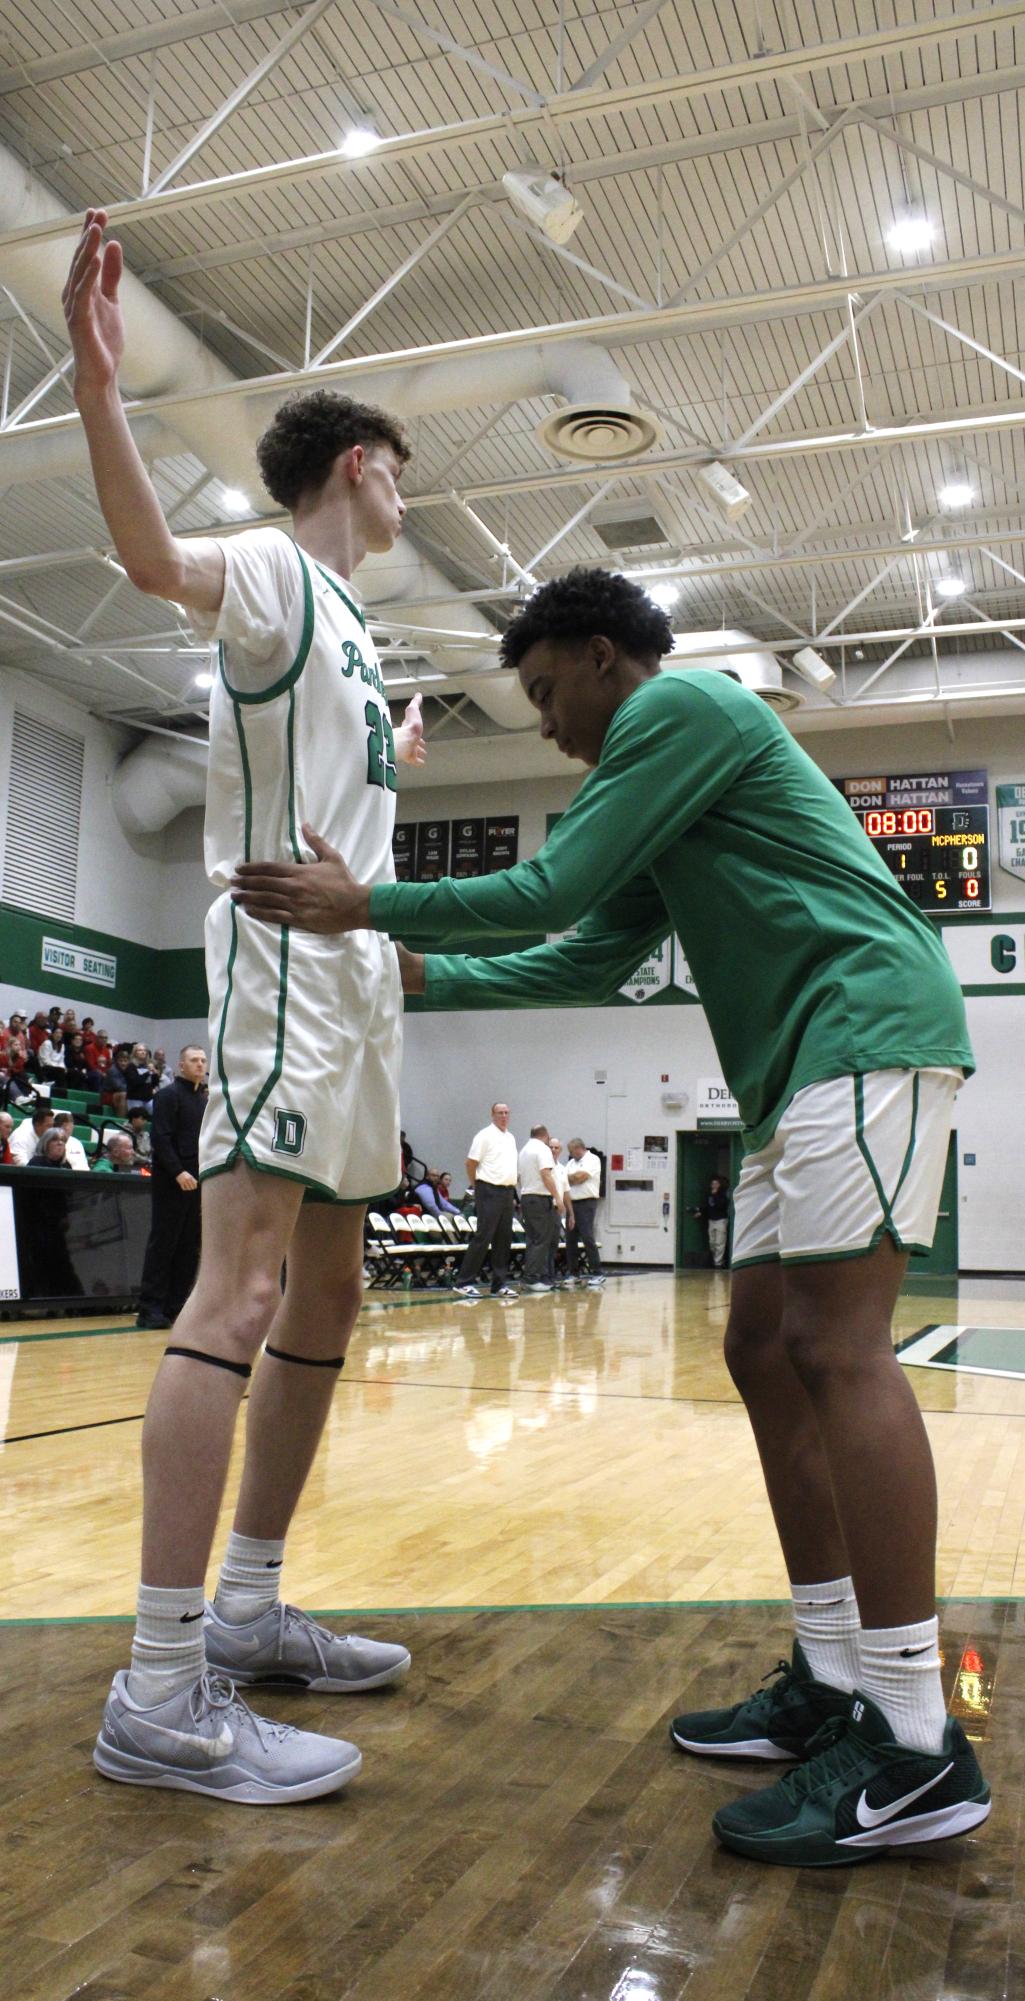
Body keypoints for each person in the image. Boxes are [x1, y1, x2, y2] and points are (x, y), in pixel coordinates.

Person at [234, 564, 990, 1867]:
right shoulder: (663, 779)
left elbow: (551, 891)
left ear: (597, 657)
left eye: (539, 692)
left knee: (835, 1350)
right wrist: (413, 971)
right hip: (795, 1068)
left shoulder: (682, 711)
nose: (541, 723)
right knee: (760, 1349)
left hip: (860, 1030)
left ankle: (918, 1736)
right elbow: (584, 952)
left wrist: (371, 903)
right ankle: (826, 1671)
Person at [65, 204, 425, 1806]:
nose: (407, 493)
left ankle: (253, 1609)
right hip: (281, 953)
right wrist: (94, 384)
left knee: (331, 1296)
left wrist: (390, 773)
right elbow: (149, 563)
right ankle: (157, 1683)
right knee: (240, 1293)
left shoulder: (352, 622)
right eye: (398, 467)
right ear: (356, 462)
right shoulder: (279, 571)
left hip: (357, 975)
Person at [136, 1047, 208, 1331]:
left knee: (189, 1246)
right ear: (181, 1065)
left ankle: (176, 1305)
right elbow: (161, 1138)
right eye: (194, 1060)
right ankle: (150, 1308)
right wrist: (179, 1172)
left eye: (203, 1060)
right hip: (172, 1181)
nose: (200, 1064)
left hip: (198, 1182)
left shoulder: (204, 1102)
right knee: (164, 1244)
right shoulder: (167, 1096)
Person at [454, 1103, 519, 1299]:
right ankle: (464, 1282)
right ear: (492, 1115)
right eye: (500, 1113)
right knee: (484, 1236)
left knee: (503, 1239)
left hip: (507, 1192)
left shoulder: (510, 1137)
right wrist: (476, 1187)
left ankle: (499, 1284)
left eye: (507, 1113)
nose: (504, 1116)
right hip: (488, 1190)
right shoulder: (484, 1136)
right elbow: (471, 1163)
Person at [516, 1124, 562, 1293]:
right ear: (546, 1136)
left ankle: (532, 1276)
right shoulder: (542, 1150)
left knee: (533, 1239)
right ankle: (531, 1278)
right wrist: (558, 1197)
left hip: (527, 1196)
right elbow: (546, 1175)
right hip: (540, 1198)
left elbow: (519, 1177)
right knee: (541, 1240)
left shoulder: (523, 1151)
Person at [564, 1137, 603, 1286]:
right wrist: (571, 1178)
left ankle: (597, 1272)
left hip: (586, 1203)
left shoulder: (593, 1159)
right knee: (570, 1239)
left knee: (587, 1237)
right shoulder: (570, 1163)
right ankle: (573, 1273)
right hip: (571, 1203)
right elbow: (564, 1180)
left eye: (571, 1151)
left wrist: (571, 1178)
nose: (570, 1154)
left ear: (579, 1148)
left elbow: (580, 1178)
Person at [547, 1138, 573, 1283]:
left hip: (558, 1210)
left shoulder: (563, 1169)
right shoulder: (544, 1168)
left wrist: (571, 1214)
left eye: (557, 1148)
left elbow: (566, 1192)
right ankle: (543, 1276)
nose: (554, 1150)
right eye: (551, 1147)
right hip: (545, 1207)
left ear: (560, 1150)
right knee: (544, 1243)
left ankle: (551, 1276)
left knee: (553, 1243)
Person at [694, 1175, 731, 1269]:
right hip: (711, 1220)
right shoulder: (709, 1195)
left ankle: (718, 1263)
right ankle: (715, 1259)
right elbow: (707, 1206)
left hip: (721, 1220)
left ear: (719, 1185)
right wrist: (701, 1212)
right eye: (713, 1184)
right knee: (712, 1243)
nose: (714, 1185)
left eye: (716, 1183)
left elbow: (721, 1206)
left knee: (720, 1242)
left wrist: (715, 1195)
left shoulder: (723, 1195)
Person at [124, 1042, 157, 1114]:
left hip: (148, 1098)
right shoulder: (131, 1066)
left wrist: (155, 1073)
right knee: (136, 1119)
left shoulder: (149, 1065)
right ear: (135, 1053)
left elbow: (154, 1084)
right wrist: (148, 1072)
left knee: (158, 1113)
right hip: (135, 1098)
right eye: (140, 1050)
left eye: (145, 1050)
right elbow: (135, 1081)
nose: (143, 1052)